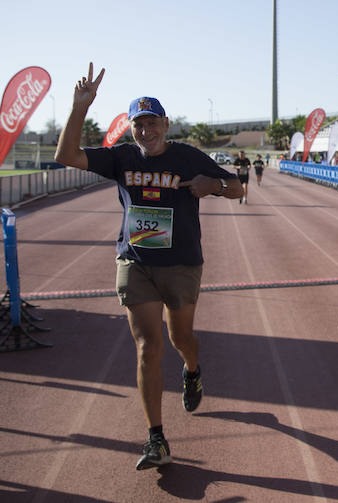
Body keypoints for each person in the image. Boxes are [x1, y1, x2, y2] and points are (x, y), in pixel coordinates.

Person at [54, 63, 243, 471]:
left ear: (165, 123)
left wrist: (213, 186)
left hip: (180, 264)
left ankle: (192, 370)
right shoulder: (121, 157)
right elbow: (65, 155)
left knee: (181, 338)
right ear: (132, 128)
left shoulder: (188, 157)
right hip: (135, 261)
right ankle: (156, 437)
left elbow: (237, 187)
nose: (145, 131)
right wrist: (78, 107)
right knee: (147, 346)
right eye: (138, 124)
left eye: (152, 122)